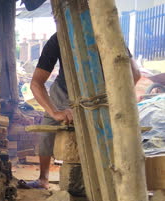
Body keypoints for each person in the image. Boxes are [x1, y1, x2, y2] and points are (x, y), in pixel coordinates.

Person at [25, 33, 141, 189]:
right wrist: (54, 112)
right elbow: (36, 83)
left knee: (104, 134)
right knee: (46, 133)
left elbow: (134, 75)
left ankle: (107, 179)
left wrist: (110, 99)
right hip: (62, 93)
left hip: (97, 94)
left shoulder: (107, 32)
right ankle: (43, 178)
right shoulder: (58, 39)